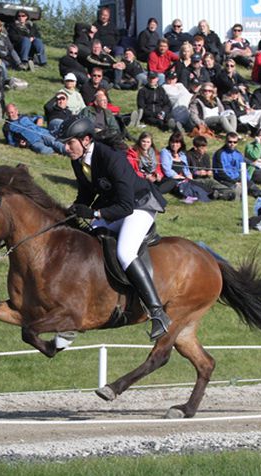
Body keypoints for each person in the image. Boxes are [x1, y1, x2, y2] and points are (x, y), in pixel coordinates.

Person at [59, 116, 170, 341]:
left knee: (125, 252)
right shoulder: (78, 158)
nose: (66, 147)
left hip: (139, 206)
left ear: (86, 140)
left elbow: (126, 205)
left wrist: (95, 214)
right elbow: (87, 192)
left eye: (70, 142)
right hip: (116, 206)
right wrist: (74, 210)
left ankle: (157, 312)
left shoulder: (111, 158)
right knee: (90, 239)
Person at [213, 133, 261, 198]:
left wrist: (245, 179)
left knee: (250, 184)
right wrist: (234, 182)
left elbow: (243, 169)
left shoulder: (238, 154)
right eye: (230, 142)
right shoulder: (219, 154)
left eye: (235, 142)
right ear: (226, 141)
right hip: (224, 179)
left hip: (236, 177)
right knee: (238, 191)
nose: (232, 144)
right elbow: (220, 173)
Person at [159, 131, 208, 203]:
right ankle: (186, 197)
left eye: (177, 142)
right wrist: (179, 177)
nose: (174, 145)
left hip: (182, 178)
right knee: (178, 185)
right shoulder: (165, 152)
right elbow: (167, 170)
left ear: (181, 144)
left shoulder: (182, 154)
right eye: (172, 142)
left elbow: (186, 169)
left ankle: (207, 195)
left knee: (195, 184)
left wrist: (189, 176)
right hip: (171, 178)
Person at [186, 135, 235, 200]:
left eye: (205, 147)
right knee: (206, 186)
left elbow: (208, 168)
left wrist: (209, 172)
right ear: (195, 147)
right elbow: (185, 171)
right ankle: (219, 195)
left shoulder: (206, 156)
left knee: (216, 184)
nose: (205, 150)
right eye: (202, 148)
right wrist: (196, 173)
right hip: (194, 180)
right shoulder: (188, 155)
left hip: (206, 179)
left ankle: (225, 193)